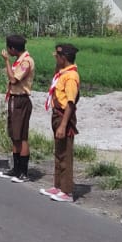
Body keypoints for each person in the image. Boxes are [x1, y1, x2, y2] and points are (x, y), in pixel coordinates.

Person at [40, 43, 80, 203]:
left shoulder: (71, 77)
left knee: (66, 153)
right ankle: (58, 185)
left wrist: (63, 125)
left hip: (65, 116)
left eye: (57, 57)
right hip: (57, 114)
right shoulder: (63, 73)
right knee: (59, 151)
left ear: (64, 58)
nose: (55, 59)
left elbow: (70, 103)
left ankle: (67, 190)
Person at [0, 34, 36, 182]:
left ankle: (23, 171)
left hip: (21, 99)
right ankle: (16, 169)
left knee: (22, 136)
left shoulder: (26, 62)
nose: (8, 51)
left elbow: (14, 79)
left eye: (9, 49)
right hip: (14, 99)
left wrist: (7, 61)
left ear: (13, 48)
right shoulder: (19, 60)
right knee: (14, 135)